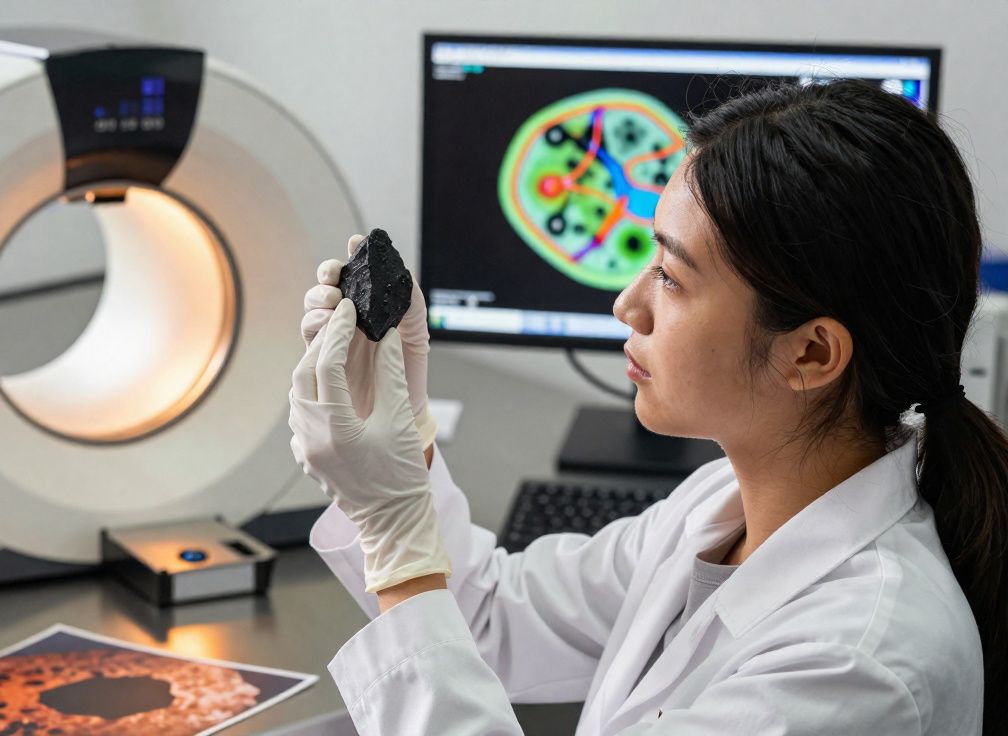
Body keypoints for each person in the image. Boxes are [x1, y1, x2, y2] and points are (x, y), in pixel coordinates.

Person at [288, 79, 1004, 735]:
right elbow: (490, 617)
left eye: (670, 275)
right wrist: (404, 449)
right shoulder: (723, 505)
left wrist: (395, 538)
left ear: (811, 354)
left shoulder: (857, 664)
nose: (626, 304)